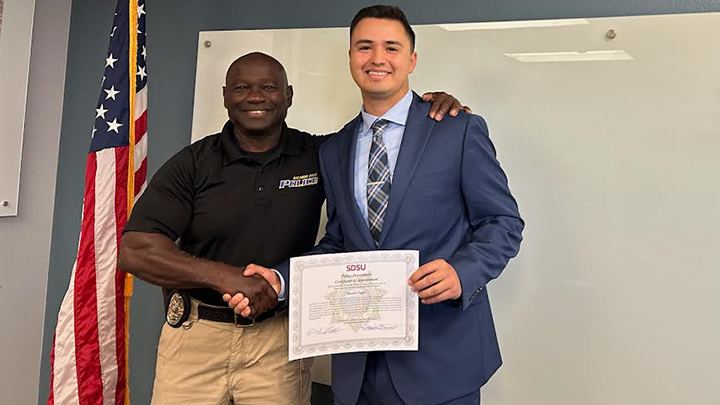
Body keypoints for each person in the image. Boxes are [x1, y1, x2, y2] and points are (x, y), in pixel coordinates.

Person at [119, 51, 468, 405]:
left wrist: (430, 112)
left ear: (288, 96)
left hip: (280, 341)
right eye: (241, 87)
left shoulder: (323, 153)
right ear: (225, 96)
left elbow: (385, 146)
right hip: (196, 337)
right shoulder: (193, 163)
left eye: (269, 87)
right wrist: (228, 278)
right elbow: (136, 251)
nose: (255, 97)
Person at [228, 5, 525, 405]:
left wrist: (462, 272)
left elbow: (502, 222)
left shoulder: (459, 129)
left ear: (412, 59)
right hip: (359, 365)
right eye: (364, 47)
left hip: (443, 360)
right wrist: (281, 280)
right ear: (351, 57)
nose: (378, 58)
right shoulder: (334, 149)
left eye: (392, 47)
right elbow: (338, 242)